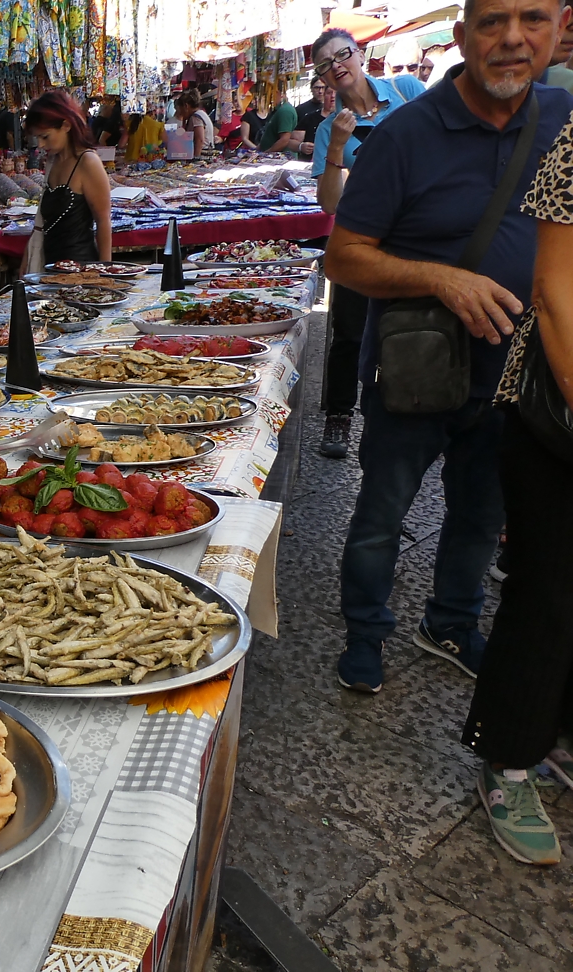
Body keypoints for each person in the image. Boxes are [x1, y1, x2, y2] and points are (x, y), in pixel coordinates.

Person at [323, 0, 573, 696]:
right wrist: (441, 278)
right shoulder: (406, 134)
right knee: (382, 514)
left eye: (532, 19)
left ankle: (453, 623)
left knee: (480, 514)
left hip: (515, 372)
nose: (512, 39)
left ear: (560, 29)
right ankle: (365, 634)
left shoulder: (564, 123)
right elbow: (342, 258)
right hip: (415, 369)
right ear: (463, 37)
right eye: (493, 22)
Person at [462, 75, 573, 865]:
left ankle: (558, 733)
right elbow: (555, 291)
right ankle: (508, 759)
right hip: (557, 405)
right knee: (549, 589)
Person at [312, 28, 426, 459]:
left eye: (342, 55)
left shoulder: (407, 91)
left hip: (416, 234)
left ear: (359, 54)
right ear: (322, 77)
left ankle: (417, 408)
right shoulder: (329, 129)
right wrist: (338, 146)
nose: (337, 66)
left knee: (415, 323)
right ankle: (339, 416)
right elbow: (329, 204)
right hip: (360, 239)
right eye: (325, 64)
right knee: (349, 332)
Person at [22, 90, 112, 267]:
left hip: (82, 269)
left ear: (66, 125)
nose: (40, 144)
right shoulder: (52, 161)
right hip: (51, 268)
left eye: (45, 136)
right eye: (37, 137)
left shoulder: (88, 162)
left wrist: (105, 269)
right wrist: (28, 257)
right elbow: (43, 223)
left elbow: (103, 222)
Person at [254, 88, 300, 154]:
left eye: (268, 95)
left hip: (279, 157)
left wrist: (265, 154)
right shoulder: (279, 110)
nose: (266, 99)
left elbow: (284, 140)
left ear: (277, 93)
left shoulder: (285, 111)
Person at [296, 77, 328, 161]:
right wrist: (301, 146)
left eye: (323, 87)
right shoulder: (301, 109)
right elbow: (292, 139)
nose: (320, 91)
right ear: (311, 89)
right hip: (307, 159)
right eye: (317, 88)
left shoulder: (337, 112)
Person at [174, 91, 215, 155]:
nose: (180, 113)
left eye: (181, 110)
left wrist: (196, 157)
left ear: (186, 106)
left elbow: (200, 140)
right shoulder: (201, 113)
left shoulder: (196, 117)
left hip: (202, 153)